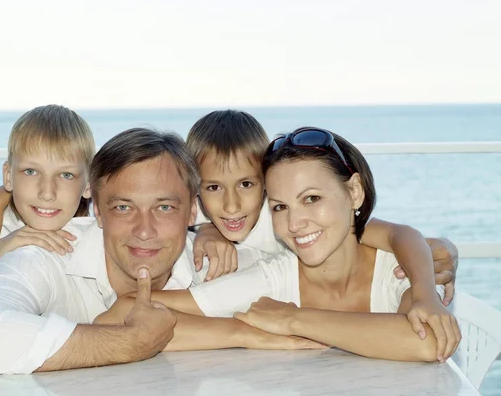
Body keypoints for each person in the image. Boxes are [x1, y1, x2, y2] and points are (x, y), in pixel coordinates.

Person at [0, 128, 321, 376]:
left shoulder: (224, 264)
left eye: (164, 208)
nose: (145, 230)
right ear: (96, 209)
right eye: (124, 208)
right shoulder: (46, 255)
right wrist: (131, 342)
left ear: (193, 211)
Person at [99, 127, 461, 362]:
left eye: (312, 199)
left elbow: (427, 342)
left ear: (353, 191)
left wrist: (293, 320)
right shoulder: (274, 277)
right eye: (279, 207)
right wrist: (245, 335)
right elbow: (126, 309)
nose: (294, 223)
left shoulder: (401, 266)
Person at [187, 110, 458, 305]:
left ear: (266, 183)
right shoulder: (198, 214)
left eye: (247, 184)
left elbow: (395, 235)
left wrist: (438, 264)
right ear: (197, 191)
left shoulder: (281, 219)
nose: (231, 205)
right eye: (213, 187)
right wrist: (207, 229)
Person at [0, 104, 96, 312]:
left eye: (66, 175)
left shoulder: (99, 241)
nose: (47, 193)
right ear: (8, 176)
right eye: (31, 171)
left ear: (88, 184)